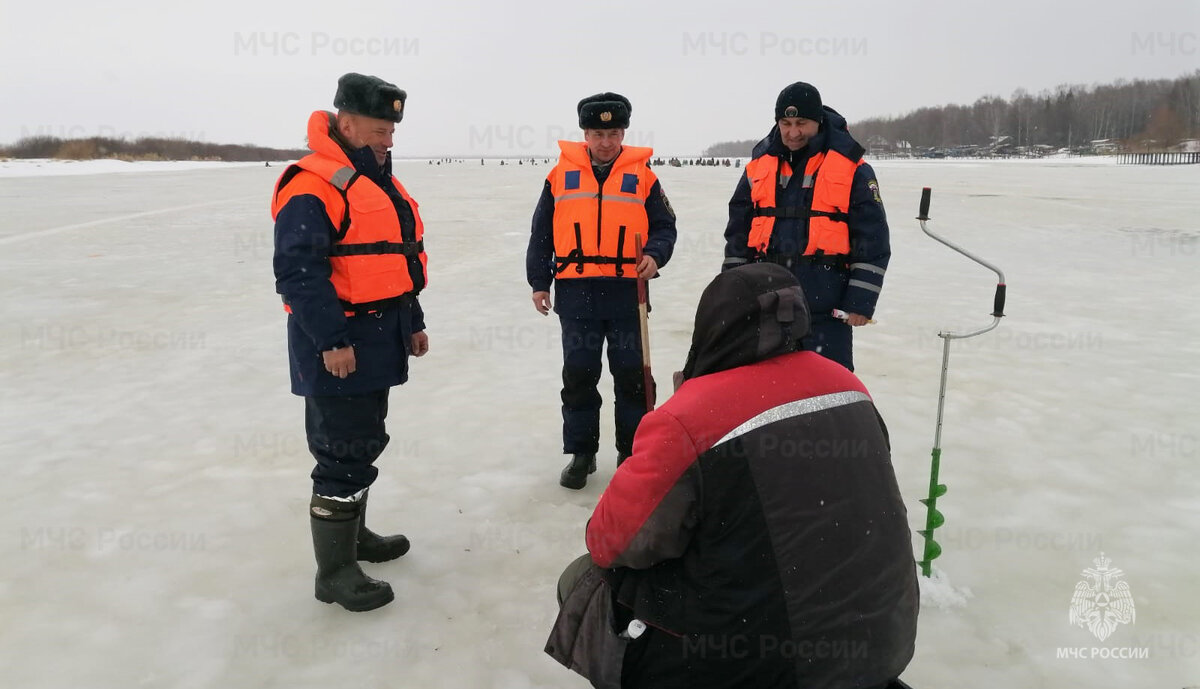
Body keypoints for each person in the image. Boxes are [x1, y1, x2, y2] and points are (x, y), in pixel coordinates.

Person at [546, 263, 918, 689]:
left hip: (759, 666)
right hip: (885, 642)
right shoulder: (849, 384)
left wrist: (669, 436)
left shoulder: (689, 418)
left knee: (582, 579)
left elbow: (609, 543)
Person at [271, 72, 429, 612]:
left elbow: (395, 257)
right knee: (340, 451)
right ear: (346, 122)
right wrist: (331, 339)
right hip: (339, 345)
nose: (389, 140)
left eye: (392, 130)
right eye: (381, 128)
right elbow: (299, 272)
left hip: (380, 337)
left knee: (364, 442)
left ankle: (355, 538)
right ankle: (334, 572)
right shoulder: (313, 183)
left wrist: (413, 321)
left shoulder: (374, 179)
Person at [526, 92, 678, 489]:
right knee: (579, 376)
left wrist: (655, 256)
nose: (605, 142)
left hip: (628, 293)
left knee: (632, 377)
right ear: (585, 134)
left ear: (624, 132)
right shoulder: (559, 175)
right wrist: (539, 282)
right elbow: (542, 233)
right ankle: (581, 453)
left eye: (612, 133)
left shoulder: (644, 175)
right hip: (577, 294)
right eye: (597, 133)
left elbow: (665, 226)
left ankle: (632, 453)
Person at [723, 81, 890, 371]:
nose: (793, 132)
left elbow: (873, 239)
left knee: (827, 397)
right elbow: (738, 235)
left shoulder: (853, 168)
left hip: (827, 310)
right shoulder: (758, 167)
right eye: (785, 123)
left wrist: (860, 301)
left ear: (818, 121)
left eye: (802, 123)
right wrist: (733, 292)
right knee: (768, 396)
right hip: (768, 304)